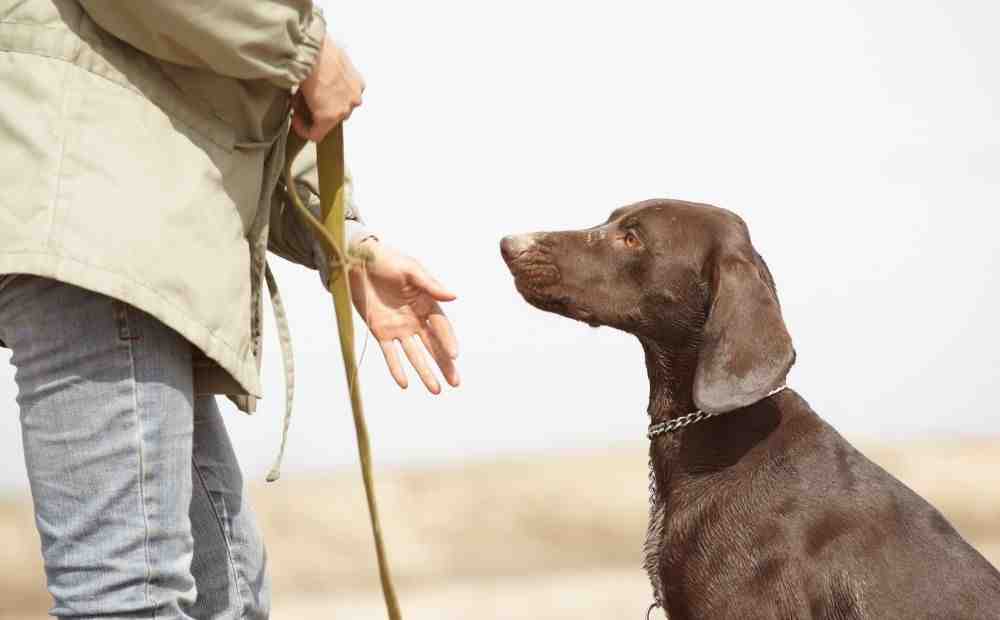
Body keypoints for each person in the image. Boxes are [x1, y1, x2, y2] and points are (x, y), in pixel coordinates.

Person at [0, 2, 459, 618]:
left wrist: (344, 244)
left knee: (227, 598)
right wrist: (305, 46)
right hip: (97, 207)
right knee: (129, 599)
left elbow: (243, 94)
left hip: (132, 217)